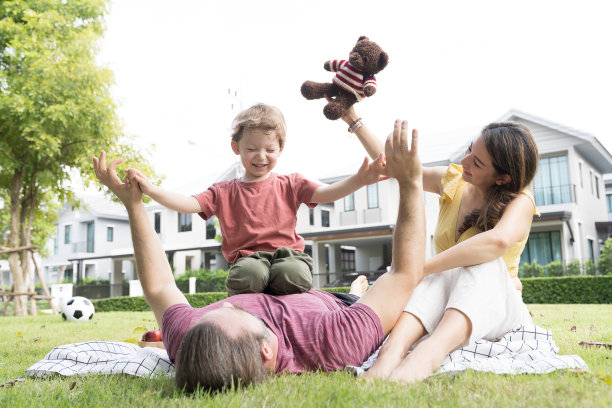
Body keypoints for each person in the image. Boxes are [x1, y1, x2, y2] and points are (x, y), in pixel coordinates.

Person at [92, 119, 425, 392]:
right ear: (266, 350)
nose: (223, 303)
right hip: (332, 304)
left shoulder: (192, 340)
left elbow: (160, 287)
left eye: (211, 310)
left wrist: (134, 205)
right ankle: (355, 293)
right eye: (228, 311)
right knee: (357, 296)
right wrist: (411, 183)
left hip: (282, 268)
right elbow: (402, 275)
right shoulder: (336, 340)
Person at [338, 108, 539, 382]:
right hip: (441, 298)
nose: (465, 160)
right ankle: (390, 355)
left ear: (502, 178)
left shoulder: (521, 200)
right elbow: (399, 168)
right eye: (469, 150)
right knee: (442, 270)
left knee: (480, 259)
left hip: (495, 307)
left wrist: (421, 268)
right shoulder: (454, 181)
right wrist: (353, 120)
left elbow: (497, 241)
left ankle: (426, 355)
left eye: (477, 162)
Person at [126, 103, 386, 297]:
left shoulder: (291, 184)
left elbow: (327, 192)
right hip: (249, 260)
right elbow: (187, 203)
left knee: (291, 275)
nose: (261, 156)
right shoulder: (224, 191)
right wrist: (151, 190)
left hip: (288, 258)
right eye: (252, 149)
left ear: (280, 149)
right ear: (236, 148)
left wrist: (358, 180)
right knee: (252, 274)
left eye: (270, 150)